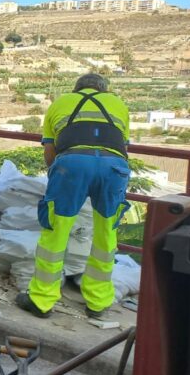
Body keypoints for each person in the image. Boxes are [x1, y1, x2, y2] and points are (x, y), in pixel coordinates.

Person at [16, 73, 130, 319]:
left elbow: (50, 152)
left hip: (73, 164)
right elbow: (122, 146)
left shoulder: (60, 103)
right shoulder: (119, 105)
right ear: (104, 90)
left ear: (76, 89)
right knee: (105, 233)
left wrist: (60, 175)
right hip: (114, 167)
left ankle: (42, 300)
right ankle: (98, 303)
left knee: (56, 231)